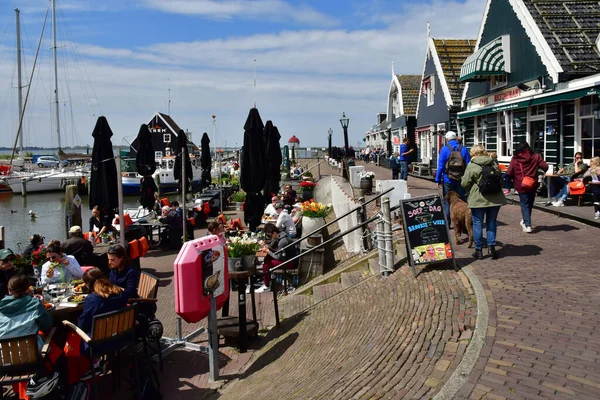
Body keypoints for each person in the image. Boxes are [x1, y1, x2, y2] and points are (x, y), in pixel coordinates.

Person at [461, 145, 506, 260]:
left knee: (477, 223)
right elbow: (499, 178)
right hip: (495, 198)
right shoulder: (493, 163)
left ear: (473, 153)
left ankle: (479, 250)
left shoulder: (472, 165)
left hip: (478, 199)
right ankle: (492, 248)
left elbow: (465, 183)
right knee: (492, 222)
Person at [506, 141, 548, 233]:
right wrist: (537, 170)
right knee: (529, 203)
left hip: (521, 184)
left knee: (524, 204)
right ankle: (526, 220)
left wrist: (514, 177)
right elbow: (545, 166)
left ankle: (527, 224)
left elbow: (509, 172)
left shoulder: (515, 158)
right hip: (532, 183)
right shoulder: (536, 156)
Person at [436, 131, 471, 221]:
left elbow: (440, 166)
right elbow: (468, 165)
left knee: (447, 201)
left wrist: (438, 179)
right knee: (462, 200)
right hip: (461, 178)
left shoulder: (444, 149)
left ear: (447, 139)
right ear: (455, 138)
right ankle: (462, 221)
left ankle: (447, 222)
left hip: (448, 178)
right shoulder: (463, 149)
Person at [257, 223, 298, 293]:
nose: (269, 237)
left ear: (275, 233)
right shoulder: (281, 235)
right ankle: (267, 277)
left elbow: (278, 257)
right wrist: (268, 247)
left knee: (266, 265)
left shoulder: (282, 241)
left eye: (270, 235)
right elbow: (274, 248)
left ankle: (267, 285)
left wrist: (268, 251)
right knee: (267, 258)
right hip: (287, 258)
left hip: (290, 262)